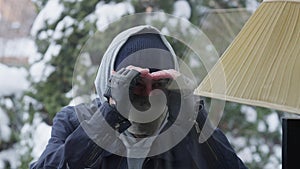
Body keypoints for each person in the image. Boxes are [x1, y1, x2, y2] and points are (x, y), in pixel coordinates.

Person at [30, 25, 248, 169]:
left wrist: (191, 115)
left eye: (160, 83)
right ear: (110, 81)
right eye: (134, 84)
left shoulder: (186, 132)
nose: (148, 94)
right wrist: (109, 117)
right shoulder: (74, 122)